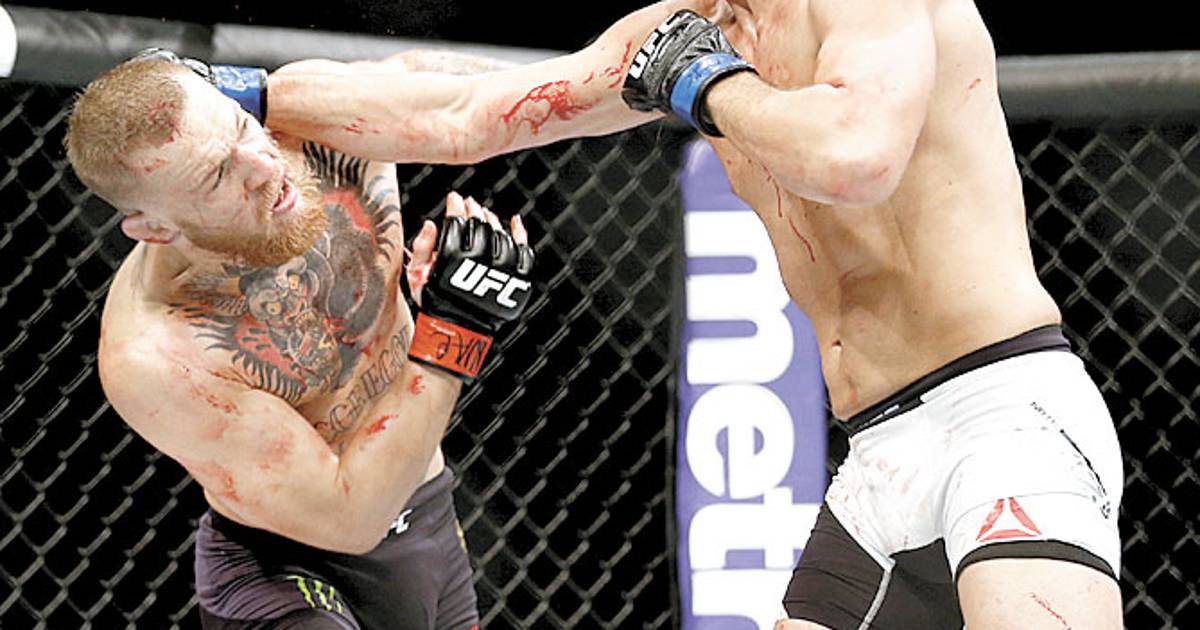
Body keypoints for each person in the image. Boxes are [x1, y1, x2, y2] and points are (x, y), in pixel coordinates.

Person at [173, 0, 1125, 627]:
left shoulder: (865, 6)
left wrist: (708, 85)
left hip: (1004, 420)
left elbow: (854, 156)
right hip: (880, 457)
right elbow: (464, 112)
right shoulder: (683, 29)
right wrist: (246, 94)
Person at [65, 50, 535, 630]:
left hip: (428, 524)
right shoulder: (156, 352)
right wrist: (453, 333)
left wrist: (638, 92)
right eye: (217, 175)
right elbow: (350, 518)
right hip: (285, 566)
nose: (262, 164)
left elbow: (477, 98)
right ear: (154, 228)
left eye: (243, 126)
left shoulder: (321, 125)